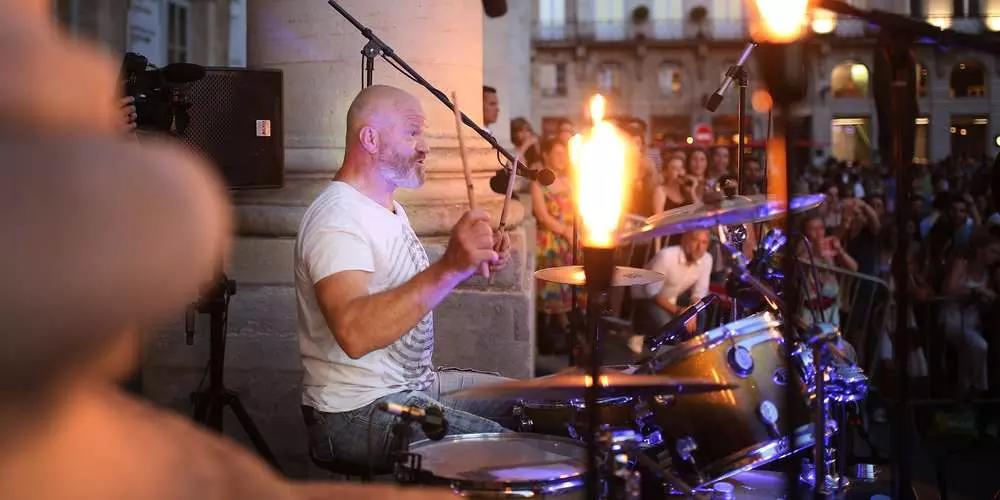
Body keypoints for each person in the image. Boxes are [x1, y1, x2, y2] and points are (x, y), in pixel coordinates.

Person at [295, 85, 515, 470]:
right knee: (511, 452)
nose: (425, 146)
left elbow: (401, 289)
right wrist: (449, 266)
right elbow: (354, 332)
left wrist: (464, 263)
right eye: (413, 132)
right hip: (355, 410)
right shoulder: (337, 218)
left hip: (412, 386)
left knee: (531, 401)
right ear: (370, 138)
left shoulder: (388, 207)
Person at [940, 229, 1000, 397]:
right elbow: (949, 289)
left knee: (969, 353)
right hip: (952, 318)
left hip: (972, 321)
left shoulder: (987, 273)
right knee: (979, 346)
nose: (996, 256)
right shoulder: (962, 263)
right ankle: (978, 388)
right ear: (980, 250)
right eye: (993, 251)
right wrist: (975, 291)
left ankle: (966, 393)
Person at [632, 229, 713, 348]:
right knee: (669, 326)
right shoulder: (666, 256)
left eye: (704, 242)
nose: (699, 247)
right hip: (647, 297)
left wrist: (693, 312)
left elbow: (698, 293)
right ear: (684, 240)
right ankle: (665, 350)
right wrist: (679, 311)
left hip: (673, 295)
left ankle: (693, 349)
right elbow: (652, 292)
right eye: (695, 241)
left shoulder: (707, 259)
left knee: (701, 312)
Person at [531, 137, 575, 354]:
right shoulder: (538, 182)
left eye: (563, 153)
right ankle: (546, 337)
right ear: (546, 155)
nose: (561, 157)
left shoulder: (568, 181)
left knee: (568, 288)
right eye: (556, 153)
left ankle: (567, 332)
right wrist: (564, 230)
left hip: (569, 241)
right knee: (550, 288)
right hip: (549, 241)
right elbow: (542, 215)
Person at [799, 215, 858, 326]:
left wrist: (840, 251)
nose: (818, 232)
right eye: (813, 229)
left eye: (821, 228)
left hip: (831, 308)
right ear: (805, 232)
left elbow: (853, 268)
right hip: (810, 310)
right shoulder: (803, 246)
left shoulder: (830, 245)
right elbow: (801, 264)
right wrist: (815, 250)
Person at [651, 154, 698, 250]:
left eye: (681, 168)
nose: (679, 172)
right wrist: (658, 250)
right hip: (667, 243)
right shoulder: (661, 190)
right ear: (666, 172)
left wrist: (693, 192)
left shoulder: (687, 194)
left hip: (685, 244)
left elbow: (701, 215)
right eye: (674, 168)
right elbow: (657, 222)